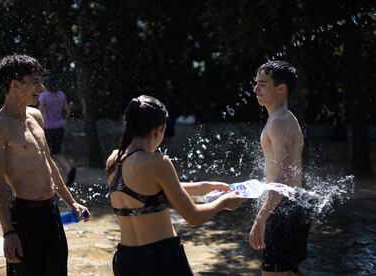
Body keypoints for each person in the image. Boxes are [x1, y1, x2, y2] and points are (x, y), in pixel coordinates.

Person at [106, 95, 246, 276]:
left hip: (125, 260)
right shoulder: (159, 162)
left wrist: (206, 186)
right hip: (161, 259)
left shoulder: (113, 160)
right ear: (159, 129)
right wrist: (224, 202)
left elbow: (150, 191)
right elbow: (194, 217)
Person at [0, 54, 90, 276]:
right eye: (35, 81)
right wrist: (8, 232)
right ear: (15, 85)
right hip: (24, 216)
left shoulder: (36, 116)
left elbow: (49, 164)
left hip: (50, 212)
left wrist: (72, 203)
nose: (41, 87)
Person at [249, 60, 311, 275]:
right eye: (256, 83)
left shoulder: (279, 121)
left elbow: (283, 176)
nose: (256, 89)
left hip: (284, 209)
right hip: (290, 207)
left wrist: (261, 218)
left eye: (262, 84)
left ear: (281, 88)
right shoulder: (282, 118)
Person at [38, 77, 76, 186]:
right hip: (60, 127)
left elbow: (40, 111)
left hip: (47, 127)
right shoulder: (61, 94)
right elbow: (67, 109)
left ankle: (47, 176)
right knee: (56, 152)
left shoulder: (44, 96)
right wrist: (64, 121)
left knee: (46, 152)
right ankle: (68, 169)